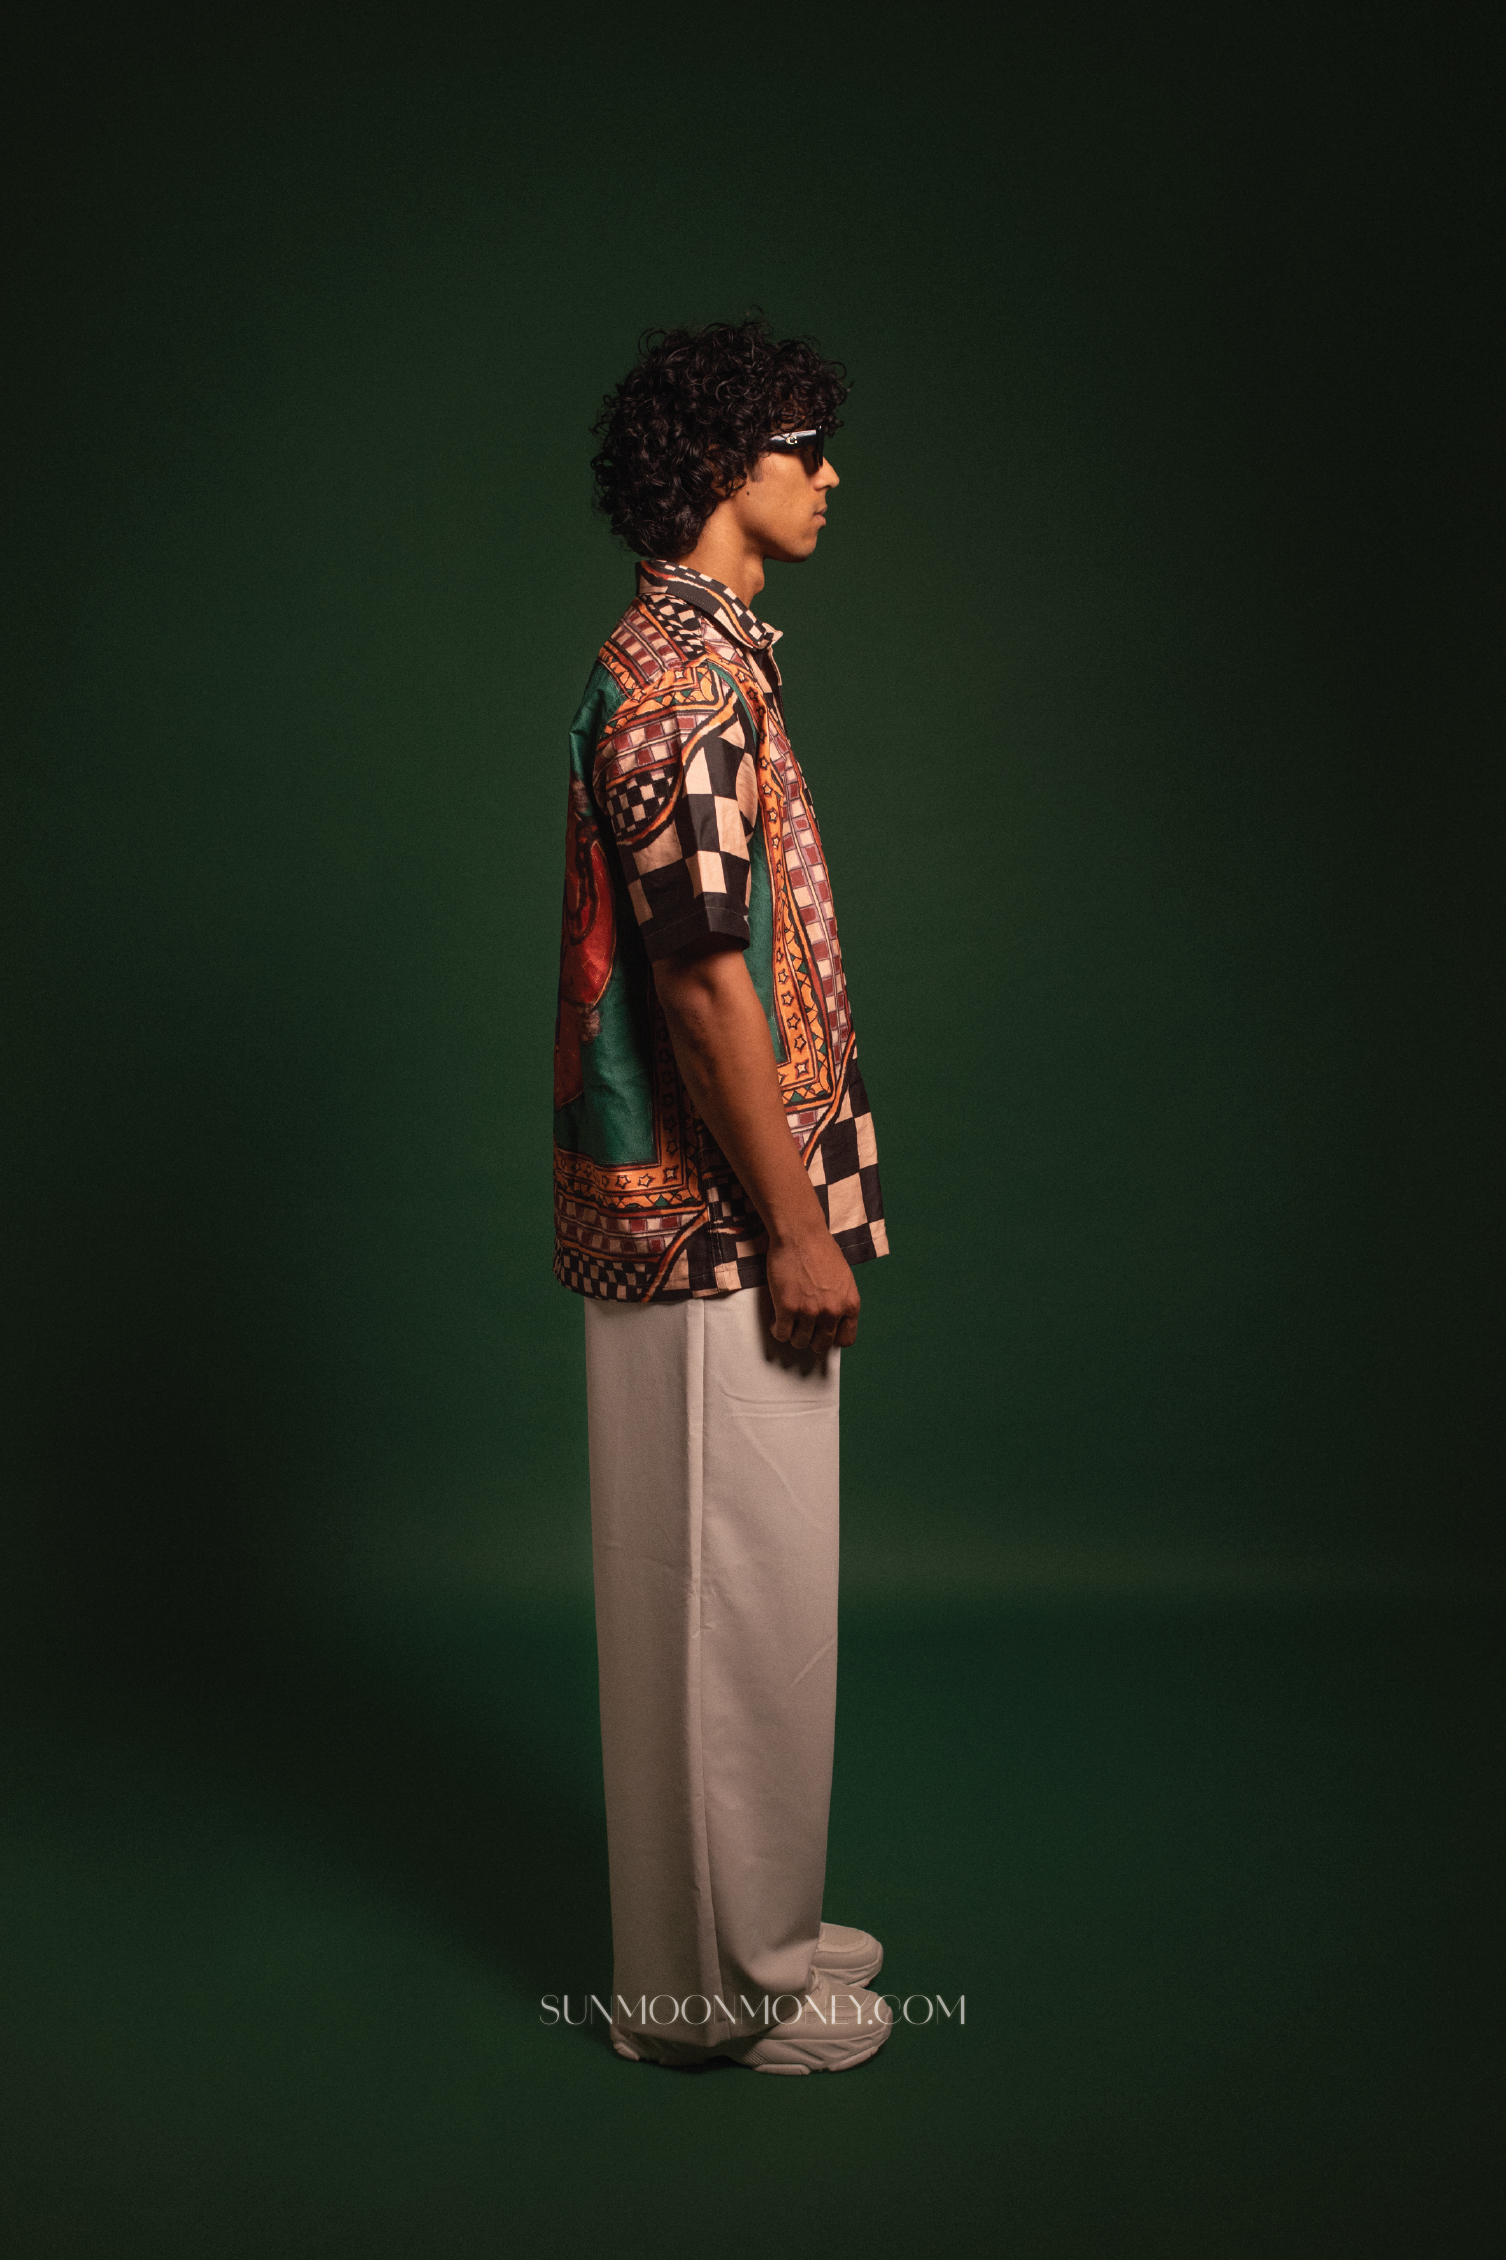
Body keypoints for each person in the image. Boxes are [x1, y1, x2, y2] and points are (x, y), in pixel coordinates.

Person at [552, 318, 891, 2074]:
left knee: (743, 1598)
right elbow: (697, 980)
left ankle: (735, 1933)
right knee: (725, 1605)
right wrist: (796, 1225)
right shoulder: (681, 685)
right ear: (714, 469)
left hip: (714, 1217)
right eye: (800, 445)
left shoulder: (701, 661)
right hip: (712, 1231)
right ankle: (712, 1997)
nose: (830, 474)